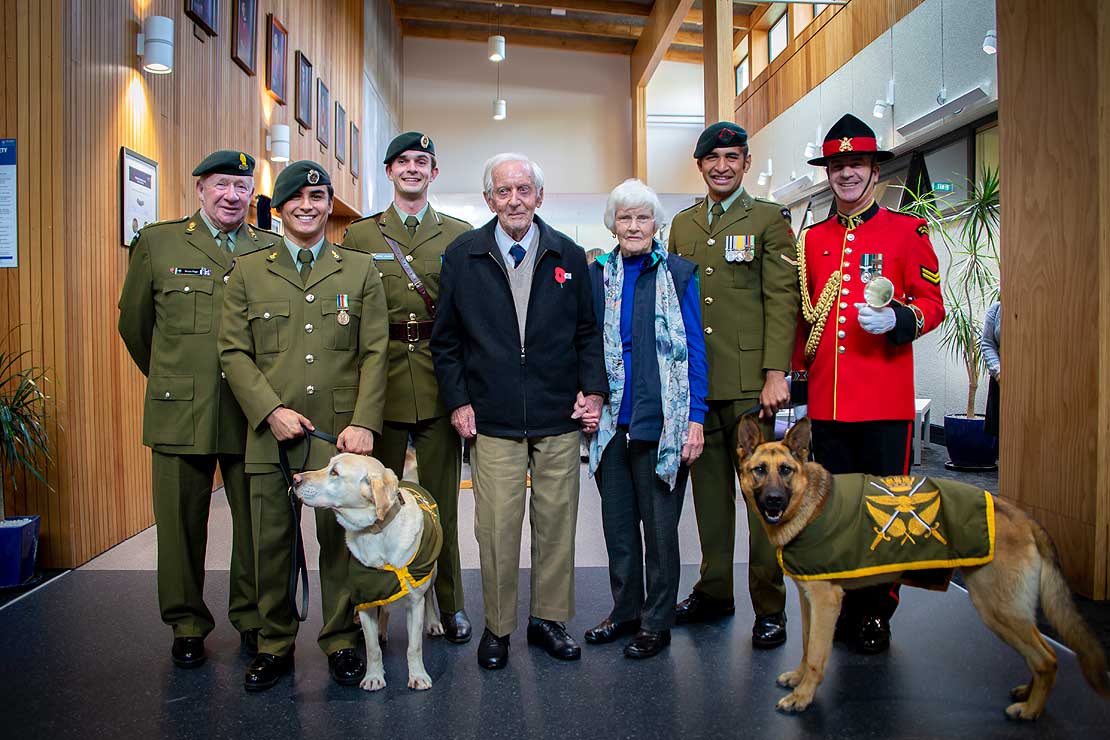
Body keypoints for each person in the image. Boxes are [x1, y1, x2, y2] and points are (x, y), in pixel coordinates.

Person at [430, 152, 607, 670]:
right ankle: (499, 627)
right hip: (493, 420)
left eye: (523, 190)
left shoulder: (570, 255)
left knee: (556, 523)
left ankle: (548, 620)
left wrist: (592, 392)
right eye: (503, 192)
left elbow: (587, 334)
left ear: (539, 196)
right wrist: (459, 401)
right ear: (489, 199)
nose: (514, 200)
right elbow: (447, 343)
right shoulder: (463, 255)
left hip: (557, 418)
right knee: (497, 527)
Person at [218, 160, 389, 691]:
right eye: (297, 197)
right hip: (270, 432)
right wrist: (269, 409)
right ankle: (273, 643)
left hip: (336, 436)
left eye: (318, 197)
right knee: (270, 541)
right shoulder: (248, 269)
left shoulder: (358, 269)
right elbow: (233, 351)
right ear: (279, 206)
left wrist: (363, 422)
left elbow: (376, 352)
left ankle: (341, 640)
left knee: (337, 543)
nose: (308, 206)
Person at [118, 149, 280, 669]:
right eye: (222, 185)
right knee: (180, 524)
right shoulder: (158, 243)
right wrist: (171, 380)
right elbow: (135, 326)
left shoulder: (269, 250)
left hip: (247, 411)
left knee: (256, 525)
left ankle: (253, 619)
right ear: (200, 190)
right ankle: (186, 623)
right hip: (179, 411)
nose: (232, 196)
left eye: (242, 187)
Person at [794, 113, 945, 654]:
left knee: (887, 513)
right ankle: (843, 603)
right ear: (828, 173)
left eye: (856, 163)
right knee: (835, 513)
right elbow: (803, 318)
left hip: (883, 404)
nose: (847, 173)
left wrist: (901, 320)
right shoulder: (811, 240)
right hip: (829, 404)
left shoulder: (906, 232)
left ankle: (877, 611)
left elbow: (934, 305)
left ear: (874, 170)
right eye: (838, 165)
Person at [667, 122, 799, 649]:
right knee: (710, 503)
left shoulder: (768, 219)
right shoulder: (682, 225)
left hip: (752, 390)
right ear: (700, 166)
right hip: (701, 389)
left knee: (767, 501)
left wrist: (775, 372)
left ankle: (770, 607)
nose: (722, 166)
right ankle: (715, 590)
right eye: (712, 158)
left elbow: (782, 298)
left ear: (746, 163)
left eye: (732, 157)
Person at [342, 132, 474, 643]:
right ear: (389, 171)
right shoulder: (361, 236)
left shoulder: (458, 234)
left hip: (440, 383)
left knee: (441, 504)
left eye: (423, 161)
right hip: (384, 385)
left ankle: (451, 603)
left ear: (434, 172)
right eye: (403, 162)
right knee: (372, 509)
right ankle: (371, 609)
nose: (413, 169)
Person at [584, 179, 707, 659]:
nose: (633, 226)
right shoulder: (596, 276)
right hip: (612, 425)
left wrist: (694, 418)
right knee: (618, 529)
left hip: (664, 423)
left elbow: (695, 350)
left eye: (642, 217)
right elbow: (587, 343)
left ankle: (657, 621)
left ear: (657, 224)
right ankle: (625, 612)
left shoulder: (679, 273)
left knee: (659, 532)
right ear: (612, 224)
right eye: (624, 217)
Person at [981, 299, 1001, 438]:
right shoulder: (996, 309)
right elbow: (987, 343)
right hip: (1000, 379)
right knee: (1001, 434)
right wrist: (998, 372)